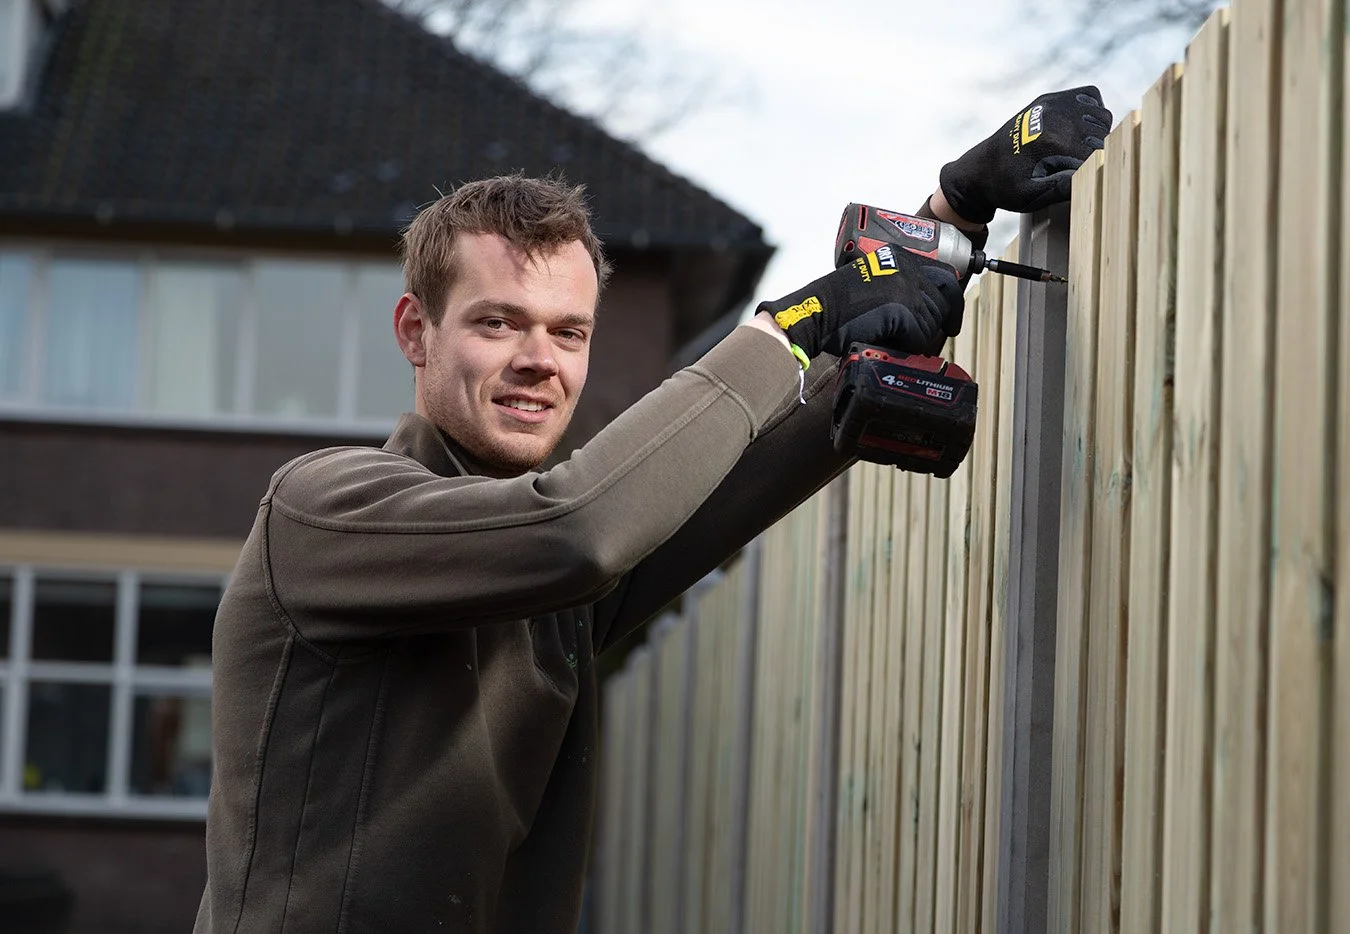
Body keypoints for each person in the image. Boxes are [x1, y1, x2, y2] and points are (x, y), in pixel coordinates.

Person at [194, 86, 1111, 933]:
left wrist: (951, 219)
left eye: (569, 332)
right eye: (497, 322)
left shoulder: (555, 590)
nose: (538, 360)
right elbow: (575, 529)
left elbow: (731, 472)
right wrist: (788, 325)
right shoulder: (323, 515)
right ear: (415, 332)